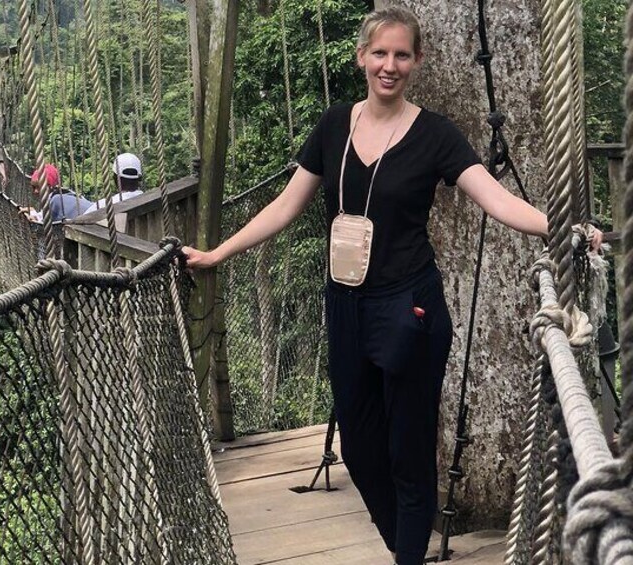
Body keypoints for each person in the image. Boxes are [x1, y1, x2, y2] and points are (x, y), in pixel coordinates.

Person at [182, 7, 601, 565]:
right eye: (380, 53)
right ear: (361, 57)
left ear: (417, 61)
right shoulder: (334, 126)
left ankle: (407, 557)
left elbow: (497, 200)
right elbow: (286, 205)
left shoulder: (435, 134)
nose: (390, 65)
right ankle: (408, 544)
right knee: (358, 449)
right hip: (345, 304)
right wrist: (217, 253)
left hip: (410, 307)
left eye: (402, 55)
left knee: (409, 453)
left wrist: (565, 225)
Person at [19, 164, 93, 223]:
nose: (35, 191)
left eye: (39, 187)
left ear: (50, 186)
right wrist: (32, 211)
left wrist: (34, 215)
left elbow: (42, 226)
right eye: (33, 187)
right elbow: (44, 216)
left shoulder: (57, 201)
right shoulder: (66, 194)